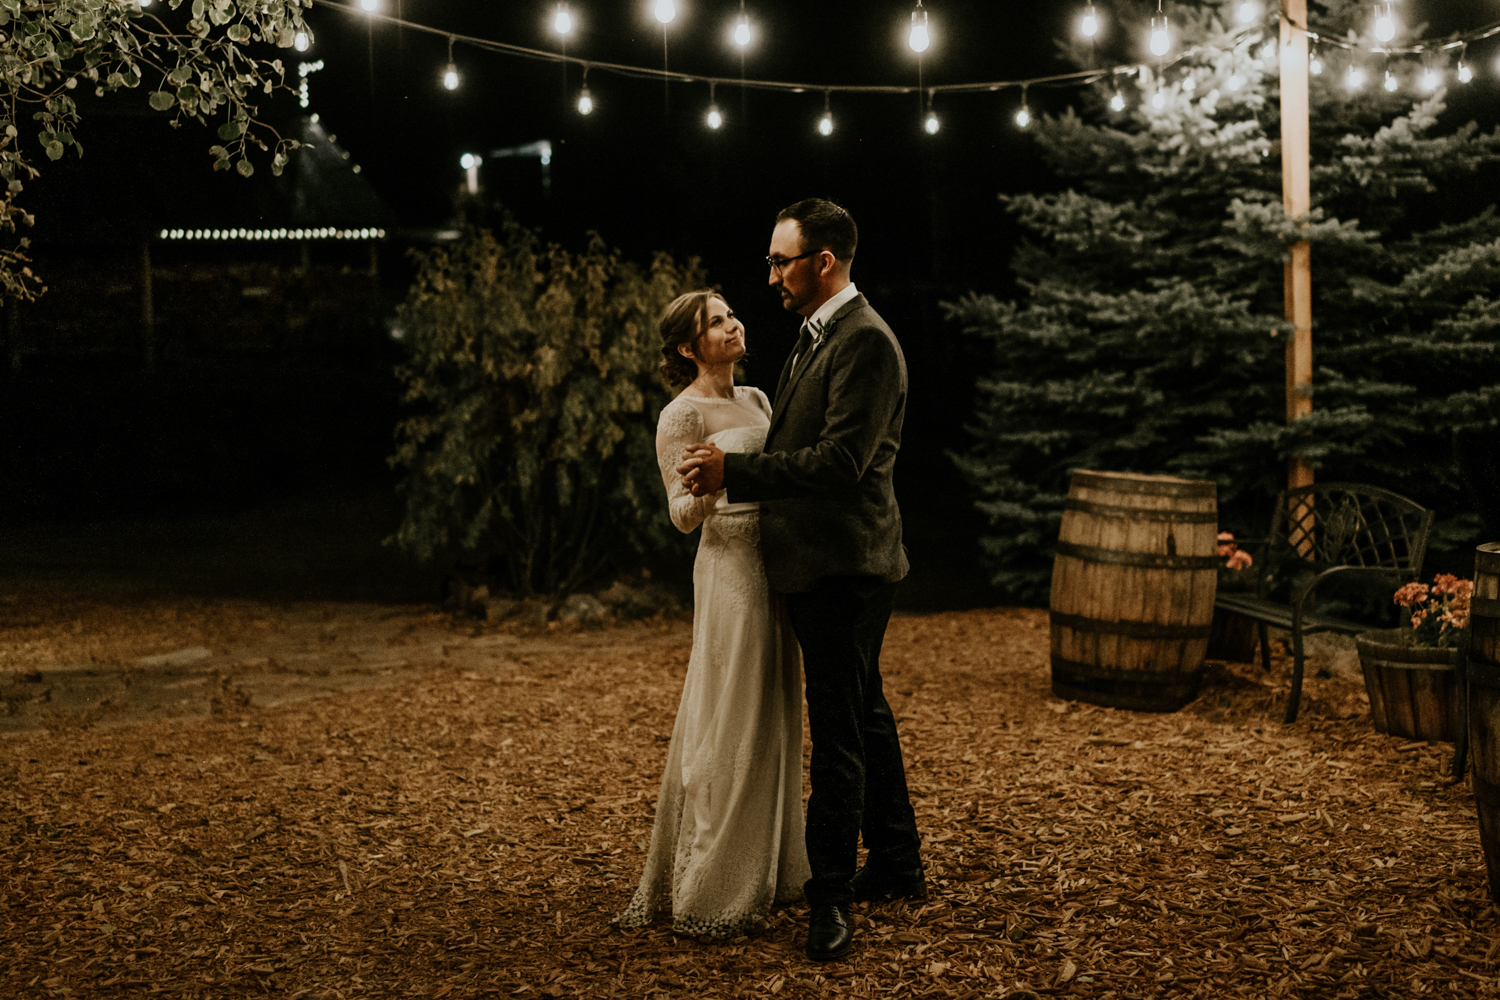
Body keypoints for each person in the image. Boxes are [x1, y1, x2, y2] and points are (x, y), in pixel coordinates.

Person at [678, 199, 924, 962]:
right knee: (865, 711)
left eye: (782, 260)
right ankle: (896, 862)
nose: (772, 275)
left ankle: (830, 901)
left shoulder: (866, 344)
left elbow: (842, 464)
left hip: (846, 566)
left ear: (824, 263)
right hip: (824, 564)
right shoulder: (815, 337)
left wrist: (734, 470)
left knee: (840, 733)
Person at [618, 290, 812, 938]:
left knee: (773, 708)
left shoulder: (757, 401)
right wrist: (719, 482)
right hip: (729, 569)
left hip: (775, 565)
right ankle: (710, 884)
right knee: (729, 712)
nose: (734, 326)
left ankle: (773, 868)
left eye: (733, 315)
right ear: (685, 346)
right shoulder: (681, 415)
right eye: (716, 322)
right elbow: (679, 515)